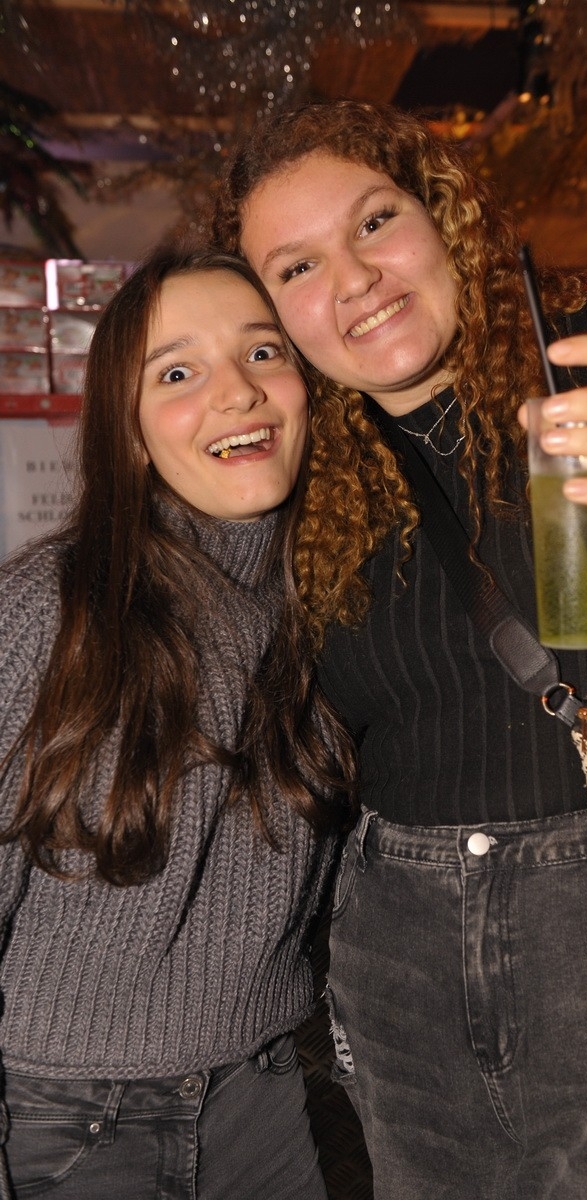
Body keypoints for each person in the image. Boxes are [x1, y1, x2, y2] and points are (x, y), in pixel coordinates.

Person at [211, 100, 587, 1199]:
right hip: (408, 983)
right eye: (297, 267)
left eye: (375, 221)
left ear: (444, 215)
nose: (355, 278)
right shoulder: (299, 475)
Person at [0, 247, 356, 1199]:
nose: (237, 392)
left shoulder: (336, 611)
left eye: (264, 353)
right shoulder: (51, 611)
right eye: (177, 373)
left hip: (267, 1104)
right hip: (59, 1121)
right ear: (127, 430)